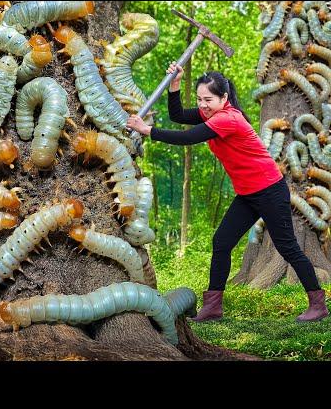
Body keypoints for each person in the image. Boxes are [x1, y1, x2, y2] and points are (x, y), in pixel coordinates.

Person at [127, 61, 329, 322]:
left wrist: (148, 130)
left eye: (208, 99)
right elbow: (178, 116)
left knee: (287, 247)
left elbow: (188, 138)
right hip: (248, 194)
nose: (202, 105)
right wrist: (175, 85)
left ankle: (318, 304)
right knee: (222, 242)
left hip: (269, 190)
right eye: (199, 99)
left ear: (224, 98)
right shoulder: (212, 114)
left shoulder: (227, 119)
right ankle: (213, 306)